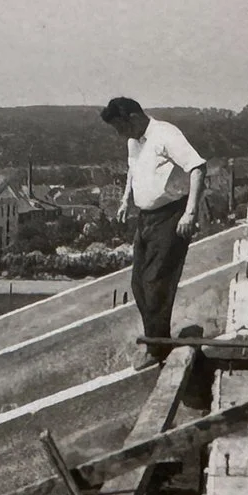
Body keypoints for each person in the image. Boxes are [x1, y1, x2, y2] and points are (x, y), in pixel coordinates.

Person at [101, 96, 207, 370]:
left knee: (156, 281)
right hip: (146, 218)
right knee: (139, 283)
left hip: (171, 215)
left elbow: (197, 167)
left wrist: (190, 213)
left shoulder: (165, 134)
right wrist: (126, 200)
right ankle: (157, 341)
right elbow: (132, 171)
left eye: (120, 127)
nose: (119, 134)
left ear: (133, 118)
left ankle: (157, 347)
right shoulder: (133, 141)